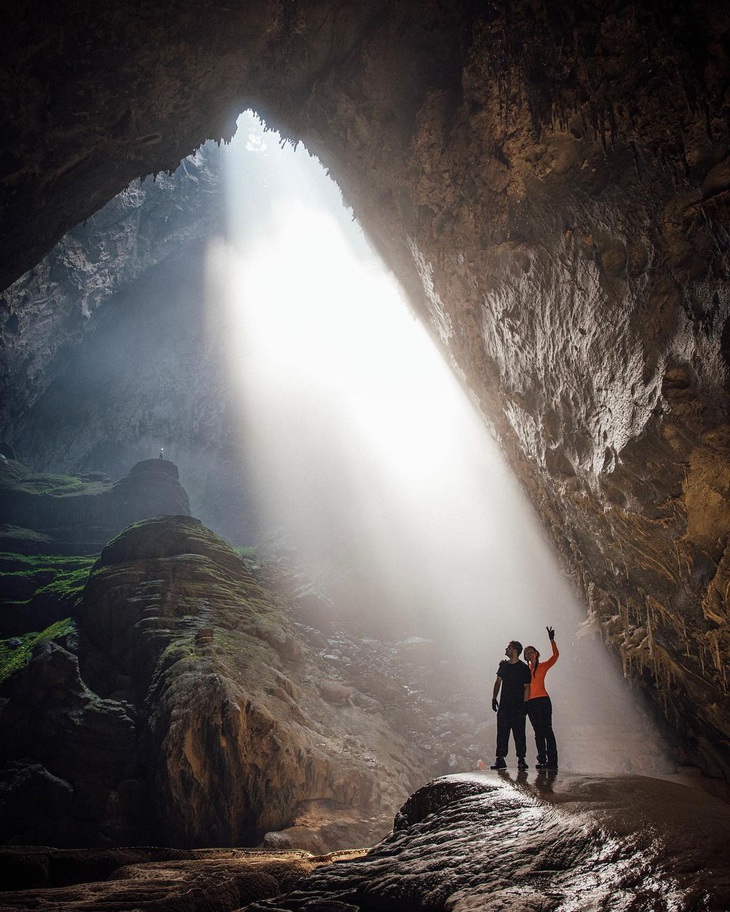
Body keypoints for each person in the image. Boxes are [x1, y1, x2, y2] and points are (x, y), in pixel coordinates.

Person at [490, 640, 531, 770]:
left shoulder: (523, 668)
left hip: (518, 706)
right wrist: (494, 698)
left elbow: (526, 687)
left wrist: (525, 703)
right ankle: (500, 758)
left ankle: (521, 759)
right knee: (502, 732)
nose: (506, 649)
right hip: (504, 705)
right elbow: (498, 682)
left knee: (519, 733)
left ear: (514, 650)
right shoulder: (503, 666)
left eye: (509, 648)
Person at [524, 626, 559, 771]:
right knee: (538, 732)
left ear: (536, 653)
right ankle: (542, 759)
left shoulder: (543, 666)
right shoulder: (525, 670)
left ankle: (553, 761)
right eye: (527, 654)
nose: (529, 654)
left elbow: (555, 656)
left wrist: (552, 640)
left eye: (531, 652)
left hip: (543, 700)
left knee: (547, 731)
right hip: (531, 703)